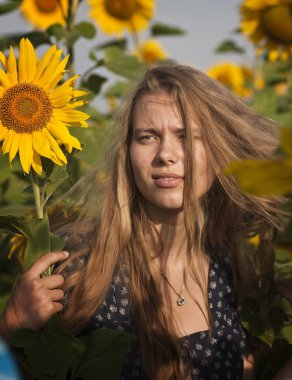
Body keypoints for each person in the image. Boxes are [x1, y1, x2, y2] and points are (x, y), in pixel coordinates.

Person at [0, 64, 290, 379]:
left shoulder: (230, 268)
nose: (166, 154)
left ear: (218, 150)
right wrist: (11, 326)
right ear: (127, 153)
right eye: (148, 136)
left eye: (187, 136)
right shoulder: (80, 265)